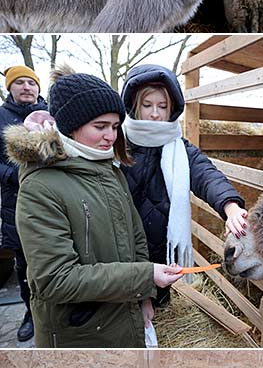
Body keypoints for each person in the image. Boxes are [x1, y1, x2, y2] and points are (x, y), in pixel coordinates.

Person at [7, 67, 182, 348]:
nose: (111, 137)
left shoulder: (109, 169)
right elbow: (55, 280)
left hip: (124, 316)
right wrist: (145, 276)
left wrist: (144, 295)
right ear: (71, 126)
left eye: (115, 127)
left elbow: (134, 234)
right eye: (100, 127)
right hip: (82, 332)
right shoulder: (41, 186)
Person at [121, 63, 247, 321]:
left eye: (162, 106)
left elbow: (206, 175)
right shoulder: (117, 143)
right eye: (147, 105)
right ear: (134, 105)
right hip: (121, 250)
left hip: (161, 247)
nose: (155, 114)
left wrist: (230, 206)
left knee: (158, 312)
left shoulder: (180, 148)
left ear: (172, 109)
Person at [0, 64, 48, 343]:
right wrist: (14, 175)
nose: (26, 87)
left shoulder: (50, 114)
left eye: (31, 82)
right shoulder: (2, 117)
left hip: (49, 199)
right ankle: (30, 313)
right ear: (10, 88)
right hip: (15, 201)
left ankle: (53, 310)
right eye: (20, 83)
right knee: (23, 263)